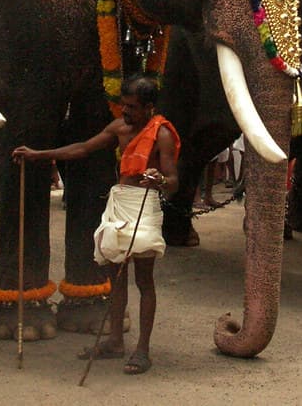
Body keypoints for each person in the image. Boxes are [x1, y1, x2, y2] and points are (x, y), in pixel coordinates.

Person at [12, 75, 179, 375]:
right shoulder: (119, 128)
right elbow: (83, 149)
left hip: (144, 206)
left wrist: (160, 180)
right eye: (123, 105)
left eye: (132, 107)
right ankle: (115, 342)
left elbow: (174, 181)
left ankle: (142, 350)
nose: (125, 112)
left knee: (144, 280)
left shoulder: (162, 134)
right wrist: (40, 156)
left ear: (149, 107)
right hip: (119, 203)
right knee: (115, 277)